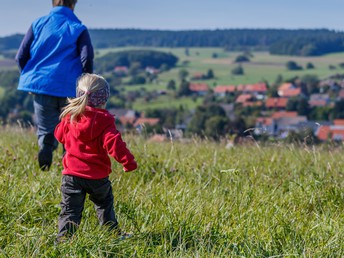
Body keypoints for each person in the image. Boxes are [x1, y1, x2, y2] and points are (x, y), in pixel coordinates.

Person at [54, 73, 138, 241]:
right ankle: (112, 236)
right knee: (104, 205)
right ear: (104, 98)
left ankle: (63, 241)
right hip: (97, 177)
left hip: (71, 176)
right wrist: (128, 162)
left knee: (70, 211)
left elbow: (59, 136)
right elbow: (114, 143)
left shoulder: (70, 116)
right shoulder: (104, 120)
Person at [15, 0, 94, 170]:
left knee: (45, 127)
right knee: (72, 129)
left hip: (42, 86)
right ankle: (69, 165)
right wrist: (86, 85)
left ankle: (46, 149)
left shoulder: (38, 24)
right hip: (70, 89)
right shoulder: (78, 28)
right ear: (73, 4)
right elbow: (86, 58)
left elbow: (21, 56)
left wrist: (32, 77)